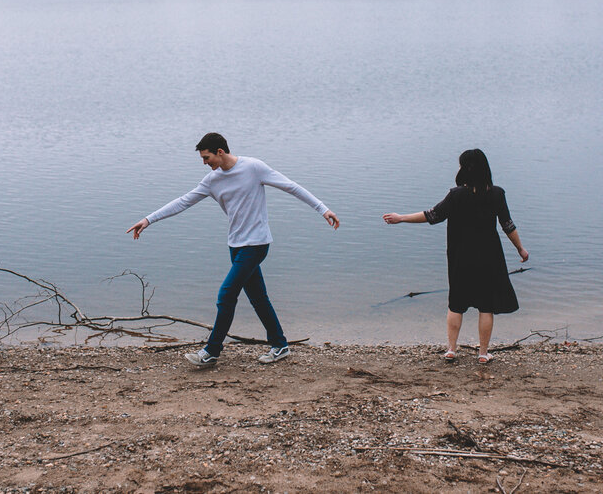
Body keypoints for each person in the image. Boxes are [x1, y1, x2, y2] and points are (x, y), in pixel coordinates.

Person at [127, 132, 339, 368]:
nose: (204, 163)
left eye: (206, 157)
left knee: (226, 295)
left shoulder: (253, 167)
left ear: (220, 152)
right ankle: (280, 345)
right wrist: (148, 220)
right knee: (258, 298)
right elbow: (183, 201)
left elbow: (290, 186)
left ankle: (211, 351)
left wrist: (323, 209)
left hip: (257, 244)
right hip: (236, 245)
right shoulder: (212, 180)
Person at [383, 149, 528, 364]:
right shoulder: (497, 194)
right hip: (489, 256)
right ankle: (482, 354)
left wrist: (401, 218)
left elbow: (432, 216)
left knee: (456, 303)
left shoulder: (457, 195)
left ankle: (451, 350)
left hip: (461, 256)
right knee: (486, 306)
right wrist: (520, 249)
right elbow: (508, 225)